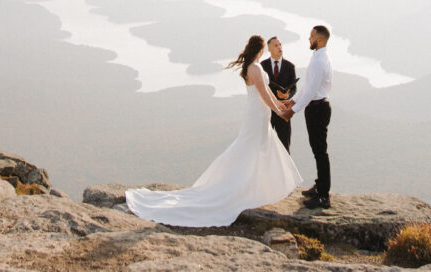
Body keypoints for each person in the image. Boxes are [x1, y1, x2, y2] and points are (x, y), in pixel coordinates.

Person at [125, 34, 302, 227]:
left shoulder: (249, 67)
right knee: (253, 148)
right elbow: (263, 92)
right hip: (258, 114)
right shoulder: (256, 68)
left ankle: (258, 187)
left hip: (257, 113)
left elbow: (267, 92)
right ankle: (247, 188)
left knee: (257, 147)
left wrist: (280, 104)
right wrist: (278, 110)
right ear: (260, 50)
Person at [284, 24, 333, 209]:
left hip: (318, 108)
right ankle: (319, 186)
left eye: (311, 36)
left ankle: (323, 196)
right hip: (315, 107)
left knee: (320, 151)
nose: (308, 39)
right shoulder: (318, 57)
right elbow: (306, 86)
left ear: (319, 40)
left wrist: (292, 111)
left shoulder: (320, 61)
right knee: (317, 149)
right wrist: (292, 101)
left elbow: (312, 91)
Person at [260, 36, 297, 153]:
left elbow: (294, 88)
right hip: (267, 111)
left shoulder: (290, 66)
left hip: (283, 111)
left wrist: (287, 96)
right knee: (264, 146)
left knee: (285, 148)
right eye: (276, 45)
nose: (279, 47)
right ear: (269, 49)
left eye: (280, 45)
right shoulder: (262, 65)